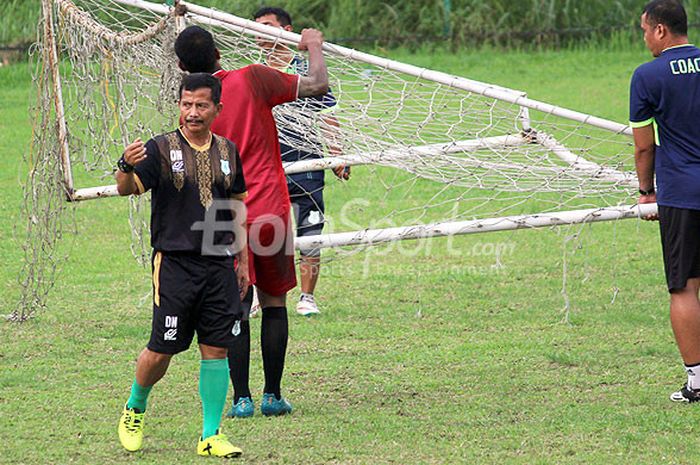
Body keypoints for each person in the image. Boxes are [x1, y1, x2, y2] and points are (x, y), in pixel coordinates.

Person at [174, 24, 329, 417]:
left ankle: (241, 399)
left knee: (236, 306)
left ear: (179, 66)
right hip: (269, 210)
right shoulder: (254, 78)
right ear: (219, 54)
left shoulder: (191, 112)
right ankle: (272, 396)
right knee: (274, 301)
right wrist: (312, 45)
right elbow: (316, 85)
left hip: (221, 217)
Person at [115, 73, 249, 458]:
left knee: (216, 349)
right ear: (179, 105)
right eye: (186, 104)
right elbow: (126, 188)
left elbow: (238, 206)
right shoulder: (160, 149)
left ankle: (211, 435)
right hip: (174, 265)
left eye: (201, 105)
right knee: (162, 350)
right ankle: (135, 406)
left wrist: (242, 259)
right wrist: (125, 164)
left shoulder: (228, 151)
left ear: (217, 109)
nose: (193, 113)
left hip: (219, 265)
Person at [254, 6, 350, 318]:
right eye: (256, 28)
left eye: (267, 26)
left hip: (306, 161)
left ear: (287, 30)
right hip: (265, 166)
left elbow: (327, 115)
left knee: (310, 227)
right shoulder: (253, 73)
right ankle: (259, 294)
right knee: (263, 231)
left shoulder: (309, 73)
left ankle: (307, 297)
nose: (260, 33)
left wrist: (337, 153)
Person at [630, 0, 700, 402]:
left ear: (660, 31)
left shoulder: (647, 75)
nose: (644, 39)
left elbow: (644, 149)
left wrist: (646, 191)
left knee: (685, 288)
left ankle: (697, 380)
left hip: (683, 195)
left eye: (644, 31)